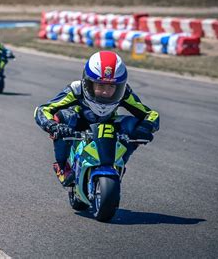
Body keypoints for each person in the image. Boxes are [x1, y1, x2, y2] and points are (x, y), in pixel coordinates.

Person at [34, 51, 159, 186]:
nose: (106, 92)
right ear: (88, 83)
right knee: (64, 116)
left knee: (132, 124)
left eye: (112, 86)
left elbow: (151, 114)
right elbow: (43, 109)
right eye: (100, 85)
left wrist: (145, 127)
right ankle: (62, 166)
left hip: (109, 126)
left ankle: (119, 163)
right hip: (79, 125)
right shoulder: (77, 89)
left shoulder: (125, 93)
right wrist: (52, 125)